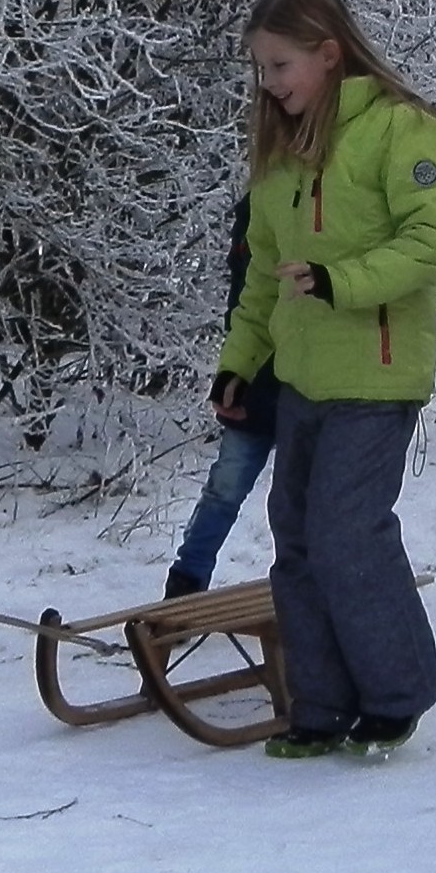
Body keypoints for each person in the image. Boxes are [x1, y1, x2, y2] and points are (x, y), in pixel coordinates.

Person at [216, 0, 436, 758]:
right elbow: (262, 273)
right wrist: (239, 364)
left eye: (281, 65)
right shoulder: (281, 153)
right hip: (302, 377)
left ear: (329, 54)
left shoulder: (400, 130)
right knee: (295, 535)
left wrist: (341, 281)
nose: (270, 84)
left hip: (376, 375)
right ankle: (319, 705)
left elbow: (435, 241)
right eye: (260, 69)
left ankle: (397, 692)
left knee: (345, 531)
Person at [164, 200, 281, 599]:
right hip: (256, 377)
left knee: (301, 500)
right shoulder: (258, 207)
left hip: (312, 378)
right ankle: (187, 580)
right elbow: (245, 301)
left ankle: (307, 588)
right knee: (225, 486)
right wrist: (235, 372)